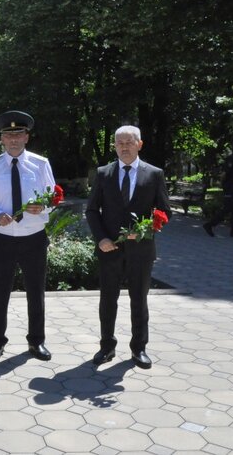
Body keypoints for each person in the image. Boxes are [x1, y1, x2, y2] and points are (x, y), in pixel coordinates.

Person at [85, 125, 171, 369]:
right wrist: (101, 238)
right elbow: (92, 210)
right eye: (119, 143)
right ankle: (106, 346)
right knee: (107, 300)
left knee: (139, 300)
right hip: (109, 249)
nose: (124, 147)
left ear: (139, 144)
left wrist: (145, 230)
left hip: (141, 251)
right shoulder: (103, 173)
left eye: (129, 142)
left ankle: (139, 348)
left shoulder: (154, 174)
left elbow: (165, 212)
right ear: (114, 146)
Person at [0, 110, 57, 362]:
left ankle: (36, 341)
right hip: (3, 238)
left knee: (36, 292)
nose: (13, 139)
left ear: (26, 137)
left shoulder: (40, 164)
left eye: (18, 134)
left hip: (34, 237)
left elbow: (53, 197)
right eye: (8, 135)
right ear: (2, 139)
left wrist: (43, 207)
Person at [203, 142, 233, 238]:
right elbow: (224, 174)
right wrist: (222, 184)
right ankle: (209, 225)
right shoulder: (230, 159)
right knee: (227, 208)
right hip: (229, 187)